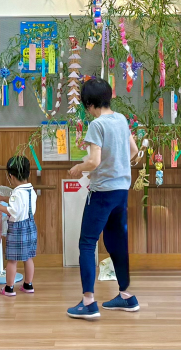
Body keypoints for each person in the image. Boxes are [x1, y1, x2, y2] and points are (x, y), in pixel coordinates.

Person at [66, 78, 140, 319]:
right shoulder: (121, 119)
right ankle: (126, 296)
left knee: (87, 243)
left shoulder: (97, 125)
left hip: (102, 193)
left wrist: (79, 168)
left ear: (89, 104)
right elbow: (133, 151)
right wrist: (115, 167)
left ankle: (88, 302)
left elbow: (94, 161)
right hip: (121, 191)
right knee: (117, 242)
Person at [0, 155, 37, 297]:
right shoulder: (30, 190)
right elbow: (20, 203)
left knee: (12, 260)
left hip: (17, 229)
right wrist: (4, 198)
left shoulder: (16, 192)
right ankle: (28, 285)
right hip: (30, 226)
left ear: (11, 176)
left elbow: (13, 210)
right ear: (28, 173)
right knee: (28, 257)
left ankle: (9, 288)